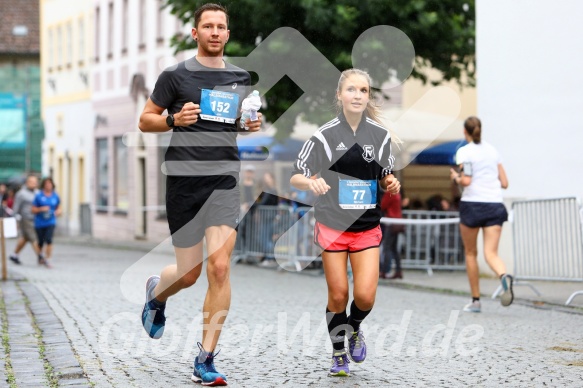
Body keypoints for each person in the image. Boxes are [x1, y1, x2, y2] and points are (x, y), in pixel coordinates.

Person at [137, 3, 262, 386]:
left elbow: (241, 122)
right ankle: (157, 294)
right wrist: (174, 119)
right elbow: (145, 120)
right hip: (183, 181)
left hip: (223, 181)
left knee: (220, 267)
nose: (214, 32)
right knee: (189, 274)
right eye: (207, 26)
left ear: (227, 34)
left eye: (220, 27)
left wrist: (249, 122)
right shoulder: (175, 76)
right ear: (196, 33)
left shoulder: (241, 77)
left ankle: (206, 358)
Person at [290, 68, 400, 377]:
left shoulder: (379, 136)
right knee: (338, 295)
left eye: (363, 90)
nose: (358, 95)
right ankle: (338, 352)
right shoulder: (324, 136)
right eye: (351, 90)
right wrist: (309, 183)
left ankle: (354, 328)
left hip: (366, 226)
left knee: (364, 296)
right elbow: (298, 174)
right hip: (333, 226)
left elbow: (385, 173)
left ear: (368, 97)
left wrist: (391, 182)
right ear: (340, 95)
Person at [450, 116, 513, 313]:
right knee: (491, 253)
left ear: (464, 132)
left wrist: (456, 177)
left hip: (473, 205)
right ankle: (503, 276)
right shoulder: (493, 151)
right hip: (495, 205)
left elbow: (466, 181)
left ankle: (476, 300)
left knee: (471, 253)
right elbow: (504, 182)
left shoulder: (464, 152)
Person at [9, 175, 45, 265]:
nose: (33, 184)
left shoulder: (38, 193)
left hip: (37, 219)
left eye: (35, 182)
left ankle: (14, 255)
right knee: (34, 238)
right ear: (27, 182)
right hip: (25, 219)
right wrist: (15, 220)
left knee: (25, 238)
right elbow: (16, 207)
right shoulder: (21, 193)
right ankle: (41, 257)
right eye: (31, 182)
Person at [31, 177, 61, 268]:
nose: (48, 185)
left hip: (51, 221)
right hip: (39, 222)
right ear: (44, 185)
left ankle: (48, 259)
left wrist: (58, 212)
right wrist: (41, 209)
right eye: (47, 184)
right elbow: (33, 209)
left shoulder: (55, 196)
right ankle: (40, 256)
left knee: (49, 240)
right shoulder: (38, 196)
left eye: (50, 184)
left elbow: (59, 207)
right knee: (40, 242)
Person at [380, 191, 404, 279]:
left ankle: (384, 271)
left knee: (386, 247)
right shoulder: (397, 193)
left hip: (391, 222)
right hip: (398, 222)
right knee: (394, 248)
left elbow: (382, 205)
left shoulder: (389, 193)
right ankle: (398, 270)